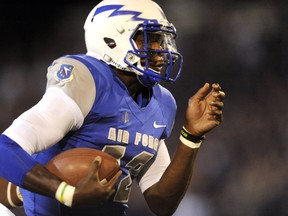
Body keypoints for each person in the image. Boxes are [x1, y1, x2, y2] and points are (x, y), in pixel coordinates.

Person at [0, 0, 225, 215]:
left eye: (161, 40)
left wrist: (190, 137)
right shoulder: (89, 81)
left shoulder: (161, 102)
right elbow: (5, 147)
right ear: (111, 40)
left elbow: (161, 203)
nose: (160, 50)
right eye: (147, 39)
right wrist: (66, 192)